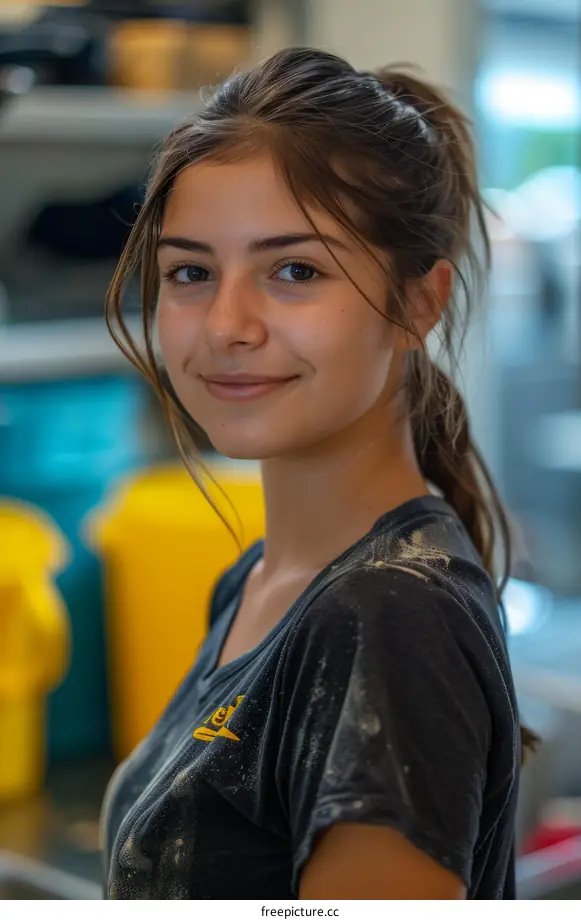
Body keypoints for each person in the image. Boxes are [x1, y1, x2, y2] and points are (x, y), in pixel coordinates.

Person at [100, 47, 532, 900]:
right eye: (191, 272)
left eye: (294, 271)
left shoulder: (391, 615)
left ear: (420, 304)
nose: (227, 324)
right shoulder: (260, 581)